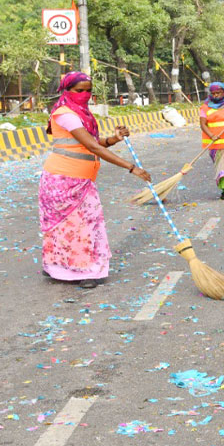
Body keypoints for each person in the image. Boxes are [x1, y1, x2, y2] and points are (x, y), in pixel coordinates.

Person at [39, 72, 150, 289]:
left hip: (83, 180)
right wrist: (131, 167)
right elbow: (92, 146)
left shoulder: (82, 114)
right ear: (66, 90)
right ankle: (81, 271)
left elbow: (94, 142)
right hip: (62, 179)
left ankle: (64, 266)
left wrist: (113, 139)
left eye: (88, 90)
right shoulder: (65, 114)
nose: (85, 94)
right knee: (74, 227)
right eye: (79, 90)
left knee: (84, 224)